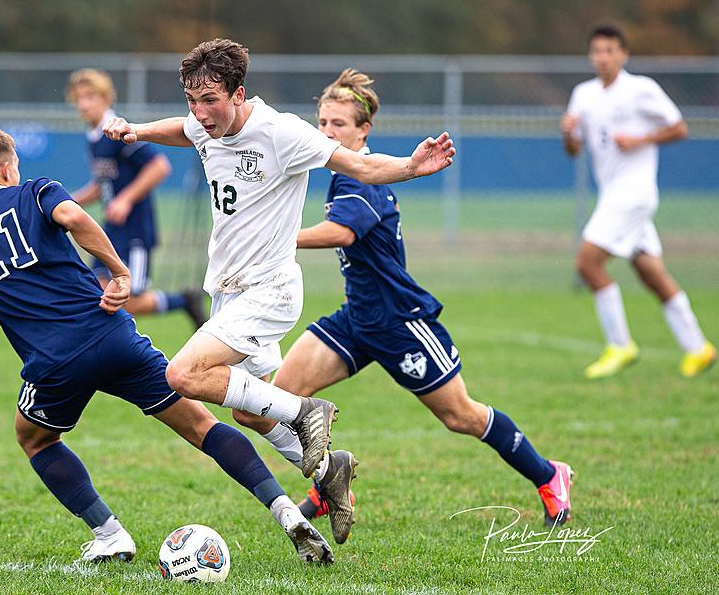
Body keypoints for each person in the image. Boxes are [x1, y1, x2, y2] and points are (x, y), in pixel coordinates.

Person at [0, 123, 336, 565]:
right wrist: (118, 273)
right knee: (201, 425)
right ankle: (288, 514)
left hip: (54, 364)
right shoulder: (36, 191)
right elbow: (75, 216)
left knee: (33, 437)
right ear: (8, 167)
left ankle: (110, 534)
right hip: (112, 334)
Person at [103, 39, 455, 544]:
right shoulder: (203, 125)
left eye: (210, 102)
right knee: (249, 410)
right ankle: (330, 470)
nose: (200, 114)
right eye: (192, 101)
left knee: (182, 374)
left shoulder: (282, 132)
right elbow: (178, 131)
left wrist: (409, 167)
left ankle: (307, 411)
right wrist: (136, 130)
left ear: (239, 93)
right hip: (227, 291)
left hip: (270, 290)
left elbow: (357, 165)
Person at [230, 69, 575, 528]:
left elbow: (343, 232)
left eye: (338, 125)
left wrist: (278, 238)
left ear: (363, 130)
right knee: (276, 398)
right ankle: (330, 482)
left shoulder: (363, 178)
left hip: (401, 322)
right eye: (323, 123)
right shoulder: (341, 173)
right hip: (356, 320)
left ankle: (550, 474)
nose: (327, 132)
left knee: (461, 416)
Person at [562, 23, 715, 379]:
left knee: (587, 264)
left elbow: (680, 127)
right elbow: (573, 150)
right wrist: (567, 132)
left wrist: (640, 140)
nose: (602, 57)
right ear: (590, 55)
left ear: (623, 54)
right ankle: (699, 348)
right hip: (614, 194)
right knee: (650, 272)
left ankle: (620, 344)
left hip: (633, 194)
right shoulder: (583, 94)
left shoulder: (640, 89)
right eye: (597, 51)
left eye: (609, 50)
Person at [65, 69, 206, 328]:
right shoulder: (94, 137)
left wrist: (126, 199)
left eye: (90, 97)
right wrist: (64, 204)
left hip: (135, 231)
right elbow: (102, 186)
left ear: (106, 98)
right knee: (95, 291)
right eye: (78, 98)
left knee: (128, 301)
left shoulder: (117, 131)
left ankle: (184, 300)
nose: (83, 104)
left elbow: (159, 166)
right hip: (111, 230)